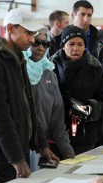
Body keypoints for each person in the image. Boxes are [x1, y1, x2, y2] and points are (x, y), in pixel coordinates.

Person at [0, 8, 58, 183]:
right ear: (10, 28)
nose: (33, 40)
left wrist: (42, 144)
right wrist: (16, 158)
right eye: (27, 33)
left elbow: (28, 108)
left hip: (16, 147)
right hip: (0, 152)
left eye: (33, 34)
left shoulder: (17, 59)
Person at [50, 25, 103, 154]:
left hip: (84, 136)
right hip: (53, 136)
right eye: (71, 44)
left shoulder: (96, 69)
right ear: (63, 45)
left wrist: (89, 109)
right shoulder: (50, 67)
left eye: (80, 44)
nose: (76, 48)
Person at [23, 33, 75, 161]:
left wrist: (65, 147)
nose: (41, 48)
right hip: (19, 143)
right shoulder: (18, 70)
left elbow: (57, 116)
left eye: (45, 44)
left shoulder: (49, 73)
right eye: (37, 42)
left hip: (42, 144)